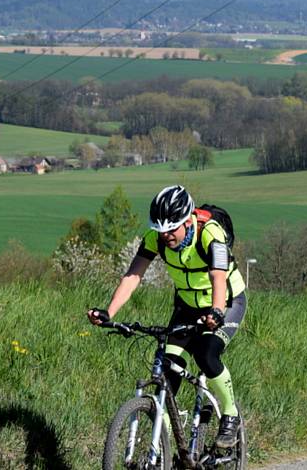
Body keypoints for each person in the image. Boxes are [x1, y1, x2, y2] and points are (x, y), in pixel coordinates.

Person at [87, 185, 246, 449]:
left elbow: (218, 277)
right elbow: (133, 275)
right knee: (167, 366)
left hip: (226, 302)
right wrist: (108, 312)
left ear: (187, 220)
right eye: (161, 230)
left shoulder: (210, 234)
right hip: (187, 306)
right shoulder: (156, 238)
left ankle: (230, 414)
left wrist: (217, 312)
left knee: (206, 354)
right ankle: (164, 445)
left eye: (172, 228)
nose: (166, 236)